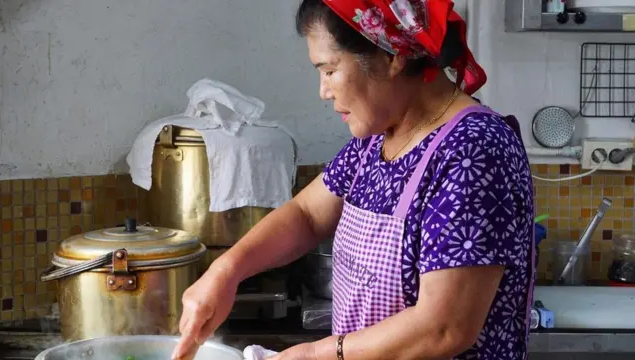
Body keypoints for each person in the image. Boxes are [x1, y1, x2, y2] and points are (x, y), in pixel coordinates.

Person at [171, 0, 535, 359]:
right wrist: (225, 272)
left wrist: (319, 354)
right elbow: (308, 215)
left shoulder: (474, 150)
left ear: (392, 56)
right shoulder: (375, 140)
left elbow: (444, 328)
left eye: (329, 70)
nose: (323, 91)